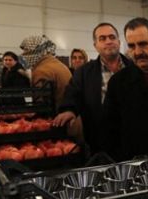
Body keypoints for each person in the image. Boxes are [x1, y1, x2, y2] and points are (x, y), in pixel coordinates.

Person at [53, 23, 133, 154]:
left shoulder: (134, 68)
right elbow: (73, 94)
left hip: (132, 136)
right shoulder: (84, 73)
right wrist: (69, 110)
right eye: (102, 38)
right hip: (99, 139)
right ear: (95, 45)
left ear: (119, 42)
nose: (108, 41)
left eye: (112, 37)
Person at [103, 17, 148, 162]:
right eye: (131, 46)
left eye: (143, 44)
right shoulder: (118, 83)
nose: (138, 52)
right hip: (134, 165)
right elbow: (110, 129)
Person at [20, 35, 72, 109]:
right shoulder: (57, 64)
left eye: (26, 50)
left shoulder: (41, 71)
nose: (23, 54)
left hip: (57, 117)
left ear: (35, 51)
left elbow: (42, 104)